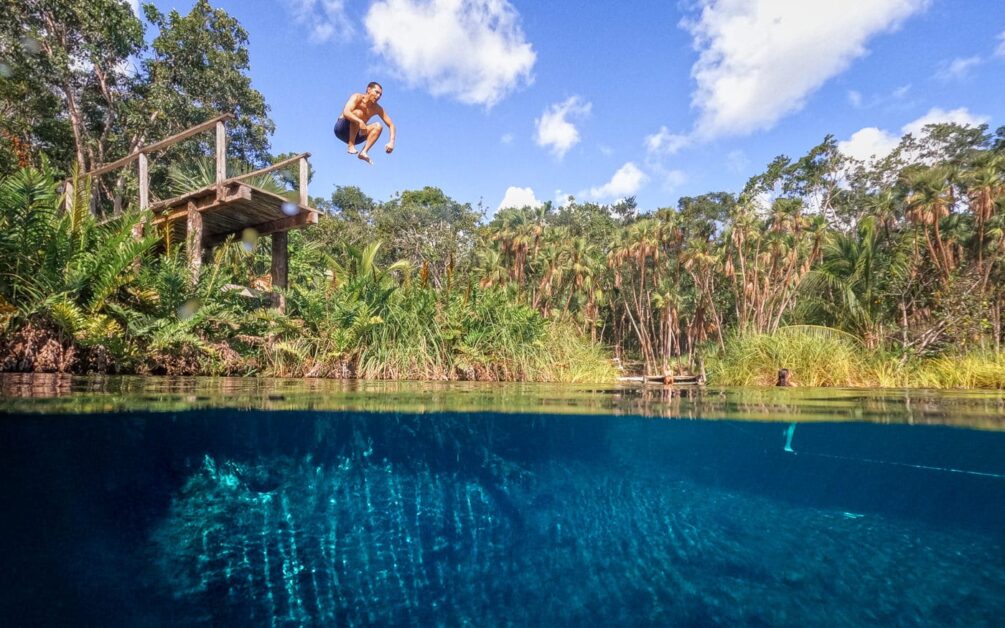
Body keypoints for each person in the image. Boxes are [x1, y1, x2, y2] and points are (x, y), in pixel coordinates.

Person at [334, 81, 395, 165]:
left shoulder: (377, 108)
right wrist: (360, 121)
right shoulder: (357, 97)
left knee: (378, 126)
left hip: (356, 136)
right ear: (369, 89)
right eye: (376, 92)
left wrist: (391, 142)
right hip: (341, 129)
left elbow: (391, 125)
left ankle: (363, 152)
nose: (378, 96)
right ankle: (350, 146)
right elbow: (346, 112)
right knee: (359, 113)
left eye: (380, 95)